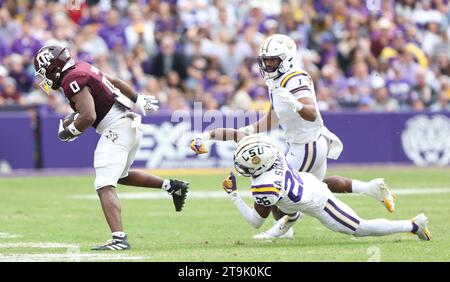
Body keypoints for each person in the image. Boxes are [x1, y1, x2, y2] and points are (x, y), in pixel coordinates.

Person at [191, 34, 395, 239]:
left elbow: (311, 112)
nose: (268, 64)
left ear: (286, 58)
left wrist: (295, 104)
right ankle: (369, 188)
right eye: (266, 60)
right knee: (318, 186)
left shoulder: (294, 78)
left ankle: (282, 229)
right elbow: (271, 119)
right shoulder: (278, 82)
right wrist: (208, 135)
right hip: (311, 144)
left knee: (274, 187)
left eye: (273, 60)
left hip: (305, 146)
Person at [33, 45, 189, 251]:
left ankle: (119, 238)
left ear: (53, 68)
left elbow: (89, 116)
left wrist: (69, 131)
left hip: (117, 128)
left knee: (104, 183)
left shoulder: (71, 79)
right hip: (128, 125)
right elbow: (113, 82)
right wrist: (137, 98)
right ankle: (172, 186)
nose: (44, 79)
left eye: (44, 73)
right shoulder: (82, 67)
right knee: (120, 175)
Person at [222, 134, 431, 241]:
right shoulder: (273, 153)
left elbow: (255, 222)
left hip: (317, 201)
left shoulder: (264, 187)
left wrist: (233, 195)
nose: (241, 165)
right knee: (287, 207)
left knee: (361, 228)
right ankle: (287, 222)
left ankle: (414, 226)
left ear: (259, 163)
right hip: (305, 182)